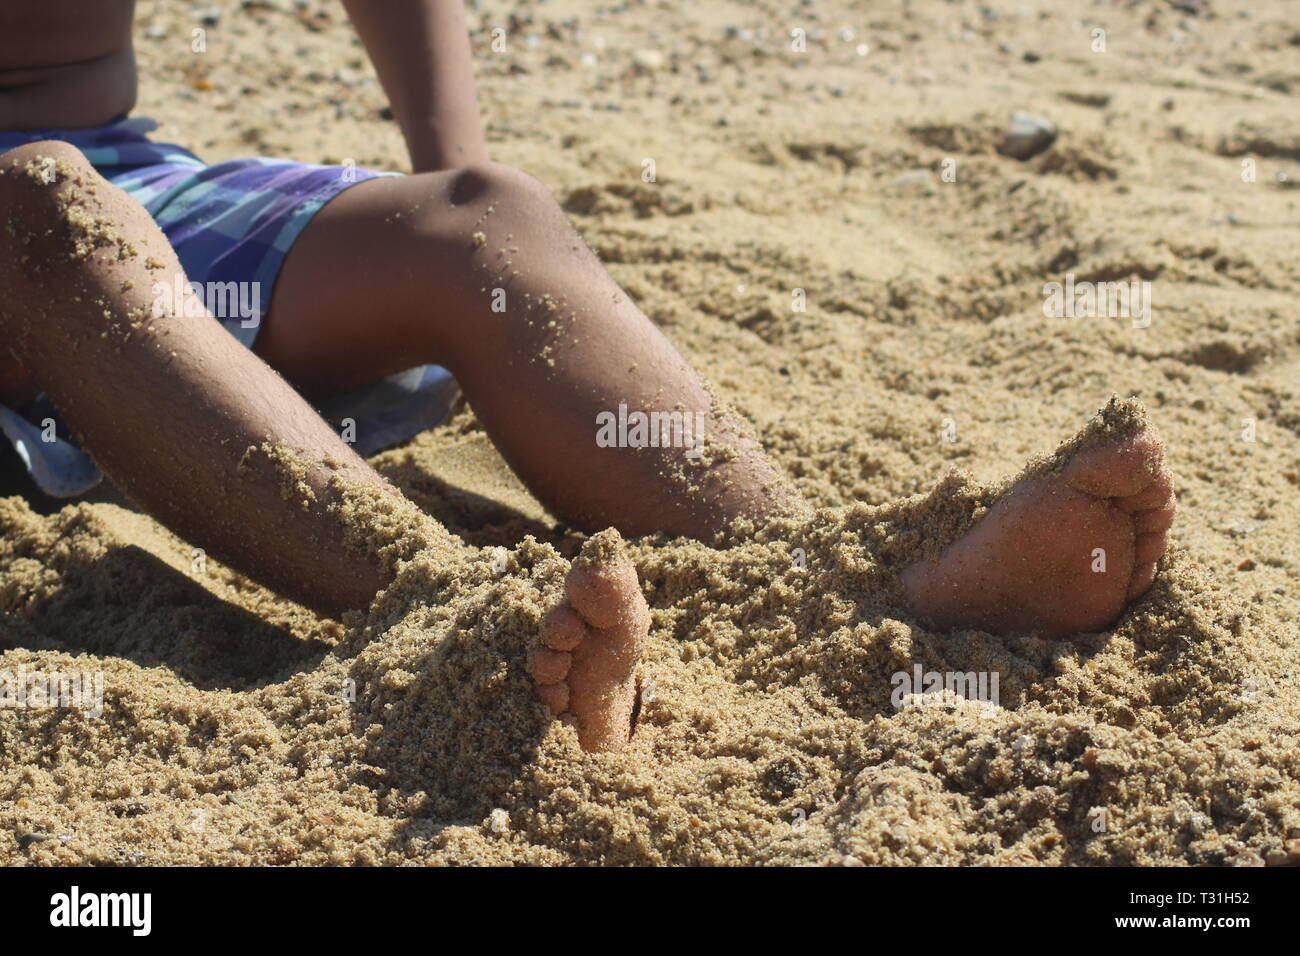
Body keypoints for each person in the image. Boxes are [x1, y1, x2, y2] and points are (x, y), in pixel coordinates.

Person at [0, 0, 1176, 752]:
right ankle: (469, 624)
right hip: (34, 208)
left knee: (480, 221)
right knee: (41, 210)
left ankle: (841, 591)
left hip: (126, 176)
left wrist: (447, 197)